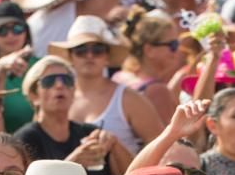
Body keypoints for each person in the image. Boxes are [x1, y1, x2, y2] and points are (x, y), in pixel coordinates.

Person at [15, 56, 131, 175]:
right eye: (49, 81)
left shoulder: (90, 133)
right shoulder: (25, 139)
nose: (59, 85)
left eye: (67, 80)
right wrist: (72, 163)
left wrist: (114, 144)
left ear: (73, 92)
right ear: (34, 96)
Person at [51, 15, 162, 157]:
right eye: (81, 50)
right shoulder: (58, 97)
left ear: (107, 57)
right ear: (70, 56)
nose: (89, 56)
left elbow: (158, 142)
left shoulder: (127, 98)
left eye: (97, 50)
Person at [115, 6, 179, 125]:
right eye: (172, 44)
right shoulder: (157, 91)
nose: (176, 51)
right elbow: (175, 140)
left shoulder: (119, 77)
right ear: (149, 50)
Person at [0, 0, 37, 134]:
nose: (10, 35)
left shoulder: (43, 66)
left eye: (17, 28)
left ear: (26, 31)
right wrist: (0, 70)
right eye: (2, 30)